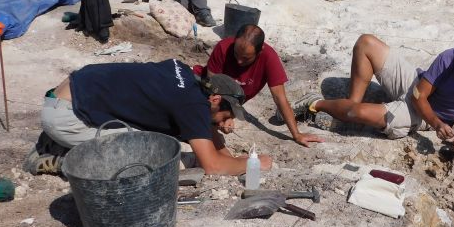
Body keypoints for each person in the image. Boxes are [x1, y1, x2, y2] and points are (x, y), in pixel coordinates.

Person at [22, 59, 272, 176]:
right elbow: (213, 166)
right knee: (144, 154)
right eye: (225, 116)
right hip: (67, 117)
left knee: (146, 134)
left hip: (66, 95)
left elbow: (207, 132)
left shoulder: (184, 75)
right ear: (215, 99)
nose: (224, 124)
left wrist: (229, 154)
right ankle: (62, 160)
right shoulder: (191, 105)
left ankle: (58, 140)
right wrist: (253, 164)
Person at [294, 34, 454, 150]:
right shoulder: (450, 58)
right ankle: (329, 104)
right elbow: (418, 94)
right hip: (417, 89)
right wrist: (437, 124)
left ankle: (332, 107)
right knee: (366, 43)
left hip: (421, 116)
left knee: (357, 113)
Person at [200, 24, 324, 148]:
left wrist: (296, 134)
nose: (239, 61)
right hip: (206, 91)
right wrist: (221, 118)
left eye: (246, 58)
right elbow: (211, 90)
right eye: (236, 54)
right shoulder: (223, 47)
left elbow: (280, 98)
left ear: (259, 52)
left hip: (230, 104)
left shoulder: (269, 58)